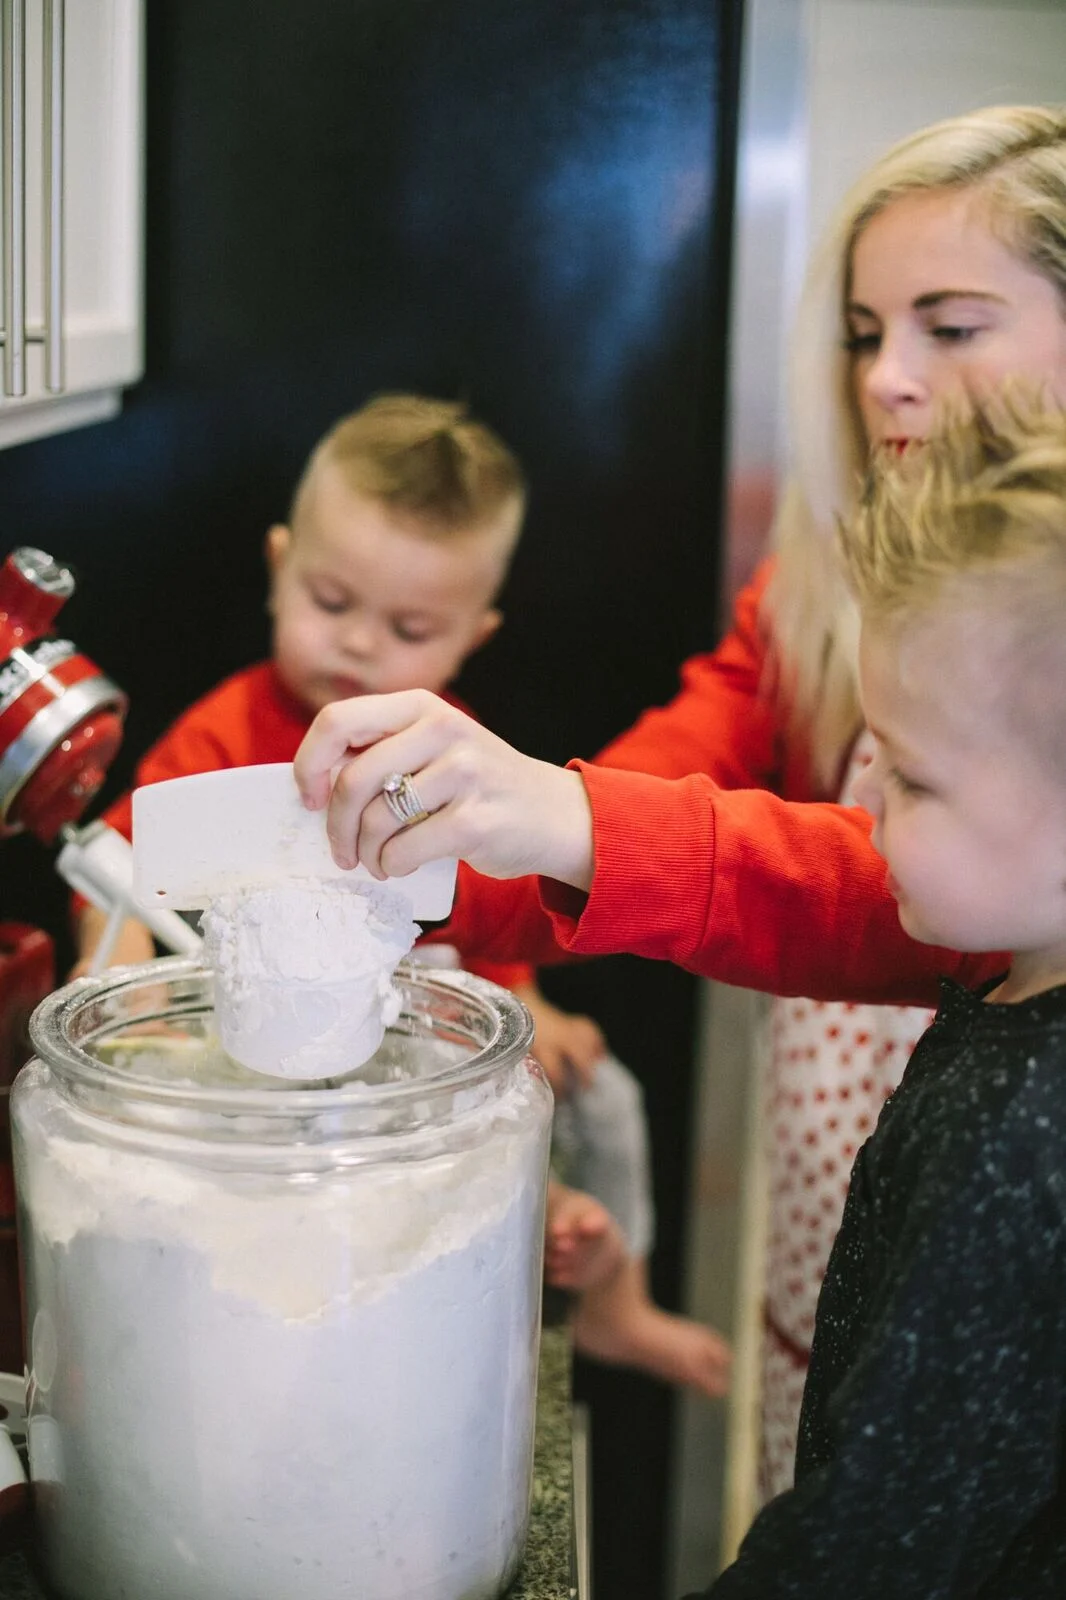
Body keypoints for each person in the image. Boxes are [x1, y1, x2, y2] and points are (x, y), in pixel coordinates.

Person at [293, 102, 1066, 1492]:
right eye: (860, 331)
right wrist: (434, 845)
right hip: (840, 1172)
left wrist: (562, 818)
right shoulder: (830, 571)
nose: (885, 378)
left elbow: (895, 904)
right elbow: (689, 747)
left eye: (949, 328)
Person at [76, 393, 730, 1400]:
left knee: (600, 1097)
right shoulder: (223, 733)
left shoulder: (448, 746)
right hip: (265, 1025)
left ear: (475, 633)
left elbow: (491, 895)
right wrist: (110, 978)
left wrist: (531, 1000)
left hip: (417, 1005)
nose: (360, 646)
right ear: (278, 565)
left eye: (410, 627)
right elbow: (122, 860)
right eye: (330, 603)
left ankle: (611, 1298)